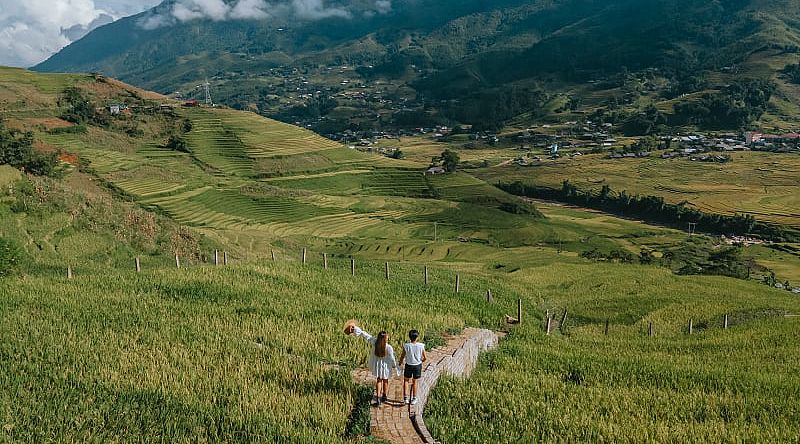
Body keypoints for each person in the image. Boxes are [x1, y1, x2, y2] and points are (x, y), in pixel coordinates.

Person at [347, 323, 400, 405]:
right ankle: (384, 395)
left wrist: (355, 329)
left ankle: (378, 397)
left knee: (379, 380)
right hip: (386, 367)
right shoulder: (389, 347)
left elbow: (365, 335)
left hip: (378, 367)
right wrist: (396, 367)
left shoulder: (375, 342)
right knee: (385, 380)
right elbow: (393, 358)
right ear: (385, 339)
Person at [399, 329, 426, 405]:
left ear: (409, 337)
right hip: (417, 366)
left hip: (408, 365)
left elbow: (402, 357)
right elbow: (425, 357)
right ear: (417, 337)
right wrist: (421, 361)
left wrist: (399, 363)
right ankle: (414, 398)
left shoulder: (406, 346)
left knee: (406, 381)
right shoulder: (421, 345)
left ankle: (405, 398)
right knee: (415, 382)